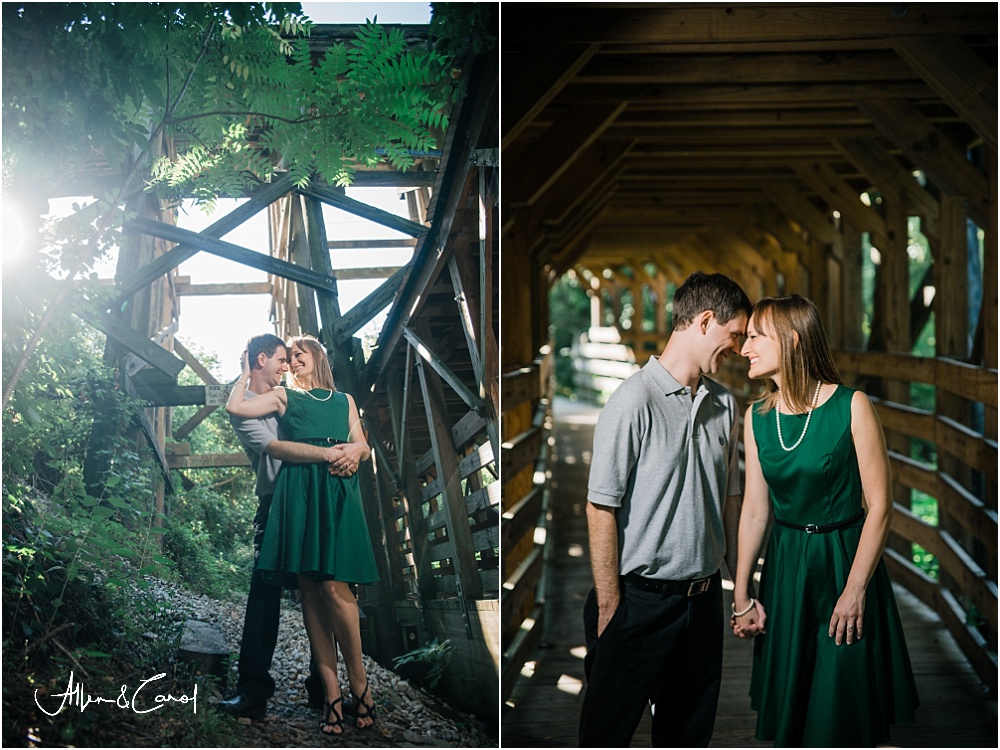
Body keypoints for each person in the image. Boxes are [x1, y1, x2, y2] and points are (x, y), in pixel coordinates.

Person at [731, 294, 919, 747]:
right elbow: (756, 509)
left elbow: (880, 506)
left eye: (756, 336)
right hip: (786, 569)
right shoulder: (756, 418)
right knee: (794, 710)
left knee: (844, 706)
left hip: (844, 564)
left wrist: (855, 590)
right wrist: (741, 593)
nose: (744, 348)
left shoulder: (852, 406)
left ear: (792, 341)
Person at [579, 271, 752, 747]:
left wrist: (740, 588)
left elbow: (730, 498)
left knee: (687, 736)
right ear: (705, 320)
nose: (738, 349)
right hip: (638, 601)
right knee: (606, 732)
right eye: (735, 334)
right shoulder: (633, 399)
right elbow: (600, 507)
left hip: (703, 601)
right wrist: (611, 604)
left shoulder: (724, 404)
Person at [226, 334, 379, 736]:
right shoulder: (266, 404)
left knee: (330, 589)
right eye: (282, 359)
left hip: (324, 497)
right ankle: (254, 689)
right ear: (261, 360)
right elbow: (277, 448)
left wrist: (357, 450)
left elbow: (360, 442)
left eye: (294, 357)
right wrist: (333, 451)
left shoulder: (308, 396)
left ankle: (325, 689)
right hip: (281, 502)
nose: (287, 365)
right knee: (268, 593)